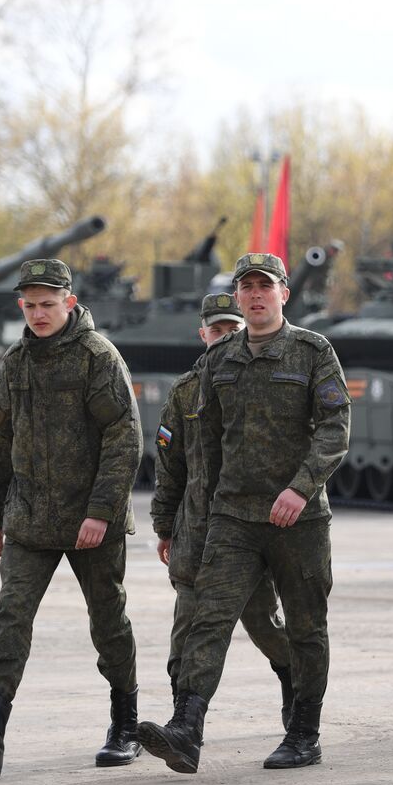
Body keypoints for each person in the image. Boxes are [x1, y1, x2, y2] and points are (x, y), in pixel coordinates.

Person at [139, 252, 350, 774]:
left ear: (284, 294)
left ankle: (303, 733)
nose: (256, 295)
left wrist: (301, 489)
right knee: (208, 619)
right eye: (248, 287)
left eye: (265, 286)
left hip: (298, 520)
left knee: (306, 627)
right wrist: (199, 517)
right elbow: (206, 445)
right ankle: (186, 729)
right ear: (238, 296)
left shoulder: (312, 351)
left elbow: (334, 428)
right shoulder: (220, 360)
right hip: (234, 517)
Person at [0, 258, 143, 780]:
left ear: (69, 303)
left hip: (90, 522)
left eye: (48, 304)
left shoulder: (98, 356)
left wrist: (101, 512)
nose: (39, 314)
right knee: (11, 617)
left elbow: (125, 437)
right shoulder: (16, 361)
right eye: (30, 305)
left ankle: (125, 726)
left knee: (108, 622)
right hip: (28, 519)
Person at [149, 292, 296, 728]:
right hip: (196, 533)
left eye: (233, 329)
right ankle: (182, 722)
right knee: (187, 630)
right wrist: (164, 526)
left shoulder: (261, 383)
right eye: (217, 330)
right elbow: (170, 465)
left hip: (248, 530)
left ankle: (293, 679)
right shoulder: (185, 391)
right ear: (203, 335)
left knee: (264, 624)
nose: (225, 337)